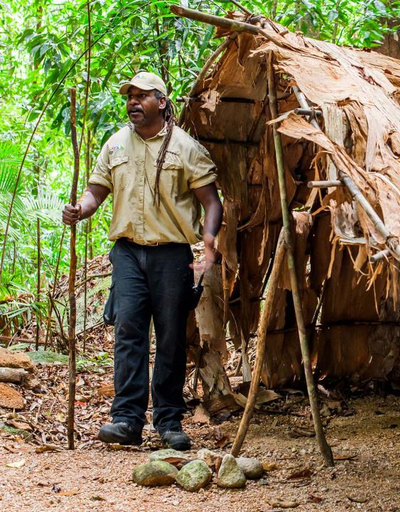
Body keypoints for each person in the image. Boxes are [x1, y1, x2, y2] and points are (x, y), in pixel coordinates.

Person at [62, 71, 223, 450]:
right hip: (128, 253)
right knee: (129, 334)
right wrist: (79, 210)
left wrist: (210, 241)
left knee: (170, 337)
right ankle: (127, 420)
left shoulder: (185, 148)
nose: (133, 101)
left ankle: (168, 420)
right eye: (130, 96)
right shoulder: (116, 144)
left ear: (162, 102)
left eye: (142, 96)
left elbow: (211, 202)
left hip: (171, 255)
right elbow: (95, 192)